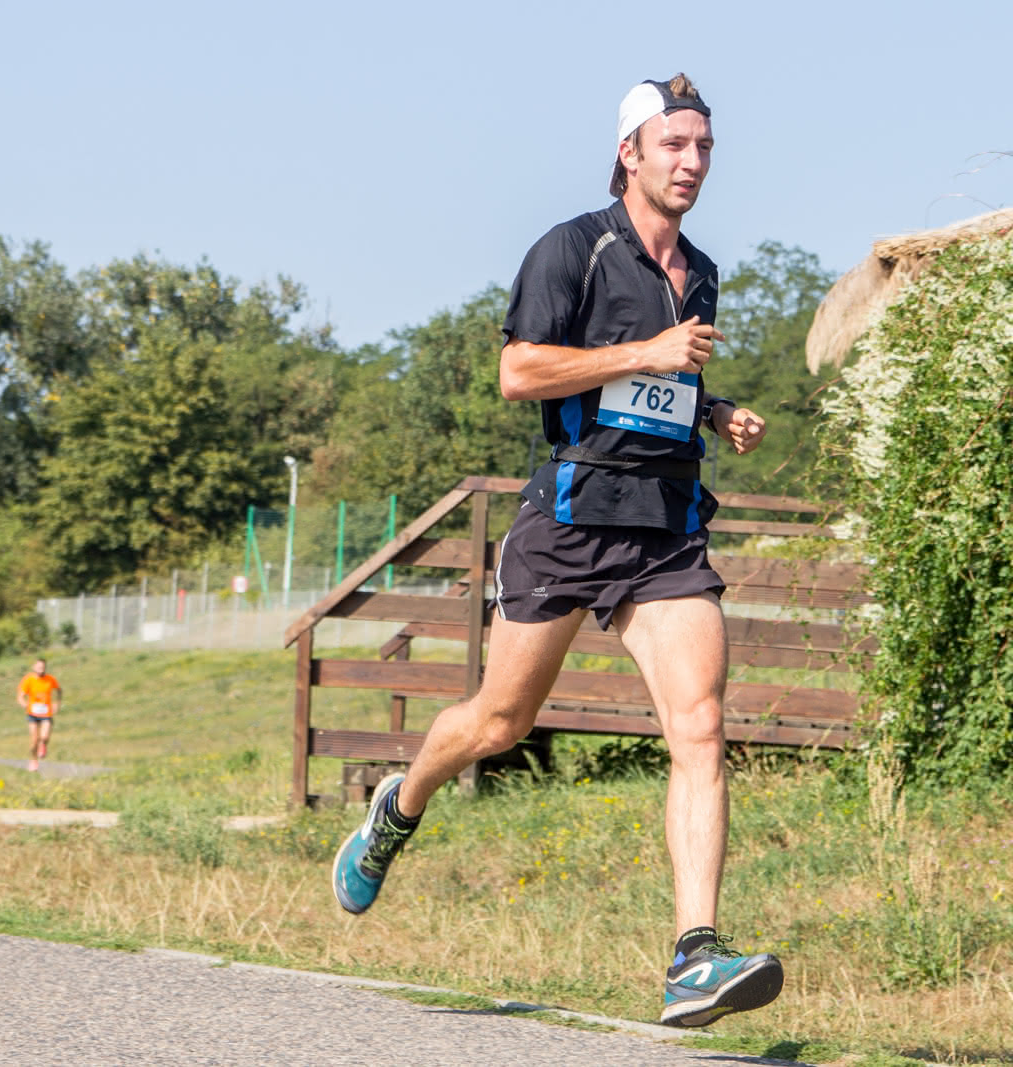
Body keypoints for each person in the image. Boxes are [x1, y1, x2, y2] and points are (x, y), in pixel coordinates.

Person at [332, 73, 781, 1028]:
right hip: (569, 521)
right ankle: (396, 808)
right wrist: (648, 355)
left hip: (663, 526)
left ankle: (693, 957)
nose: (694, 163)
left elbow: (657, 390)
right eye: (675, 145)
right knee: (497, 722)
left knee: (699, 725)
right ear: (631, 152)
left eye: (705, 147)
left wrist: (714, 406)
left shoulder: (697, 269)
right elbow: (521, 371)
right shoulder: (570, 249)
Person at [16, 659, 61, 773]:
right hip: (33, 714)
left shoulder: (50, 679)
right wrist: (24, 704)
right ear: (34, 667)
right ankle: (33, 760)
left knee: (45, 737)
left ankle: (43, 745)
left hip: (46, 713)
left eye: (43, 667)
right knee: (34, 740)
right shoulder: (29, 680)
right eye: (39, 667)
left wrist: (57, 703)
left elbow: (58, 691)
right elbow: (21, 695)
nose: (41, 669)